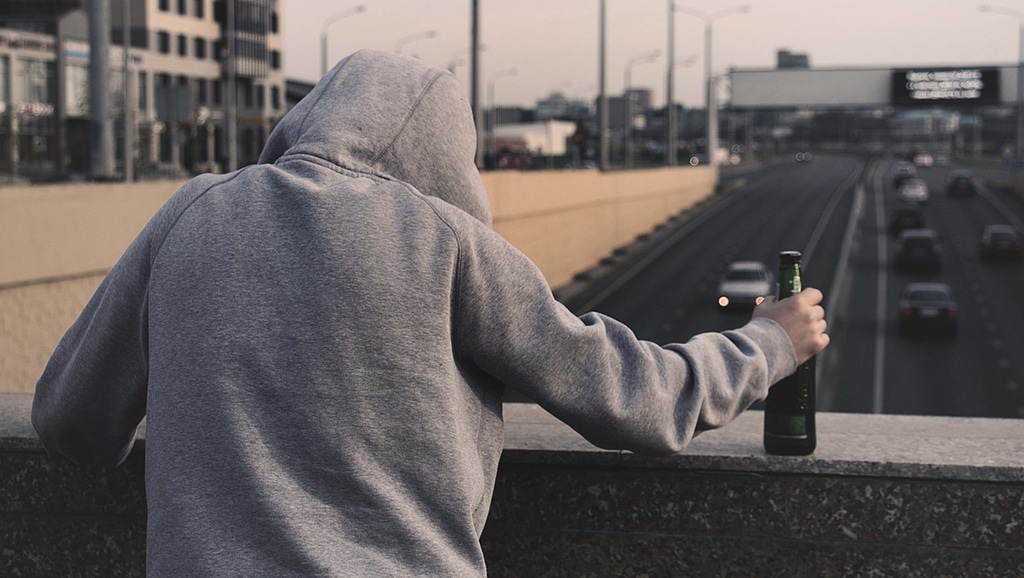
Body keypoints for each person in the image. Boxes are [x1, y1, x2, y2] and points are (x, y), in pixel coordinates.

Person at [32, 49, 828, 576]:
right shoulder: (444, 239)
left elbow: (71, 417)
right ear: (449, 157)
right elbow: (637, 397)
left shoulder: (192, 213)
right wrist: (767, 344)